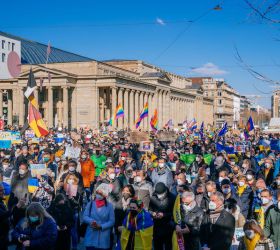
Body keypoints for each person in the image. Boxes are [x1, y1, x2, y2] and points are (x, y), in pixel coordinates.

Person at [83, 183, 115, 250]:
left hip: (103, 237)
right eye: (97, 192)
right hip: (91, 235)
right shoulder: (91, 203)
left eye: (101, 194)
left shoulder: (109, 206)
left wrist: (101, 226)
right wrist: (92, 222)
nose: (98, 195)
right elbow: (85, 216)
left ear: (105, 195)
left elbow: (112, 221)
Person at [149, 182, 175, 250]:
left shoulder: (172, 198)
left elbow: (175, 213)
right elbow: (150, 209)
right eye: (158, 194)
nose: (159, 196)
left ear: (165, 191)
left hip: (168, 226)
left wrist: (164, 215)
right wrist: (152, 214)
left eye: (161, 194)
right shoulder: (153, 197)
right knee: (157, 245)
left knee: (168, 246)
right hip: (157, 226)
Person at [0, 182, 11, 250]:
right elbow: (3, 215)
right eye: (0, 190)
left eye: (3, 190)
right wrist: (16, 207)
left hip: (4, 236)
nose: (3, 192)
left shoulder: (2, 202)